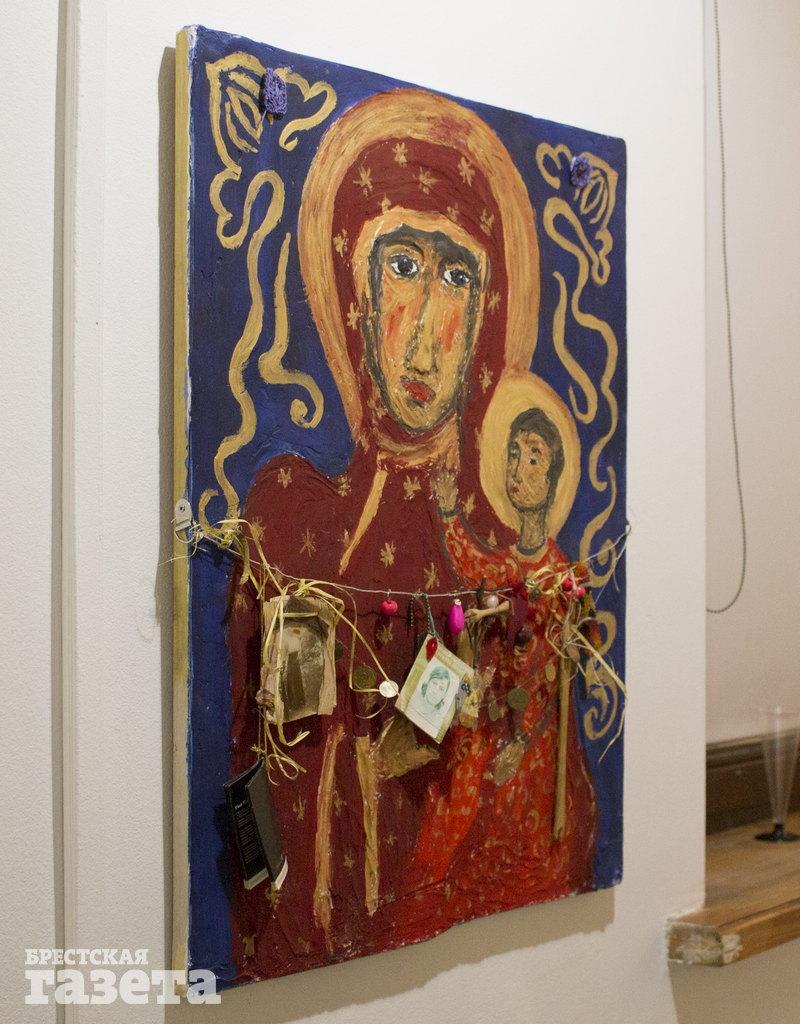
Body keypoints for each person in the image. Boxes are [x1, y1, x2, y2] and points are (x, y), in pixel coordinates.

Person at [226, 90, 542, 979]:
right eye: (402, 265)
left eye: (457, 278)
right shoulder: (287, 515)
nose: (427, 331)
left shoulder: (489, 567)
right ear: (352, 292)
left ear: (487, 317)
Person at [399, 380, 597, 934]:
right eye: (513, 453)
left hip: (532, 748)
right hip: (492, 724)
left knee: (518, 859)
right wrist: (446, 511)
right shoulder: (508, 564)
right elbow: (475, 566)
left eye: (534, 458)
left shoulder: (560, 576)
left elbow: (556, 677)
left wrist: (522, 743)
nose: (518, 468)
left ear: (553, 481)